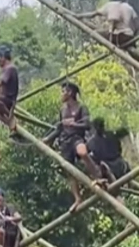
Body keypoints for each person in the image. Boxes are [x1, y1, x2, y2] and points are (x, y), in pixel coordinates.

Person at [43, 82, 104, 212]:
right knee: (69, 170)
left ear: (70, 93)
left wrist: (74, 124)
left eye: (63, 91)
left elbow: (87, 124)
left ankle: (98, 177)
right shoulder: (62, 110)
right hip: (65, 142)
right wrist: (48, 139)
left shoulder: (81, 108)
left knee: (83, 152)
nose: (61, 94)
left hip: (77, 138)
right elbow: (59, 128)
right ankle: (77, 198)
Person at [87, 118, 131, 183]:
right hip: (107, 166)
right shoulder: (92, 142)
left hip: (118, 162)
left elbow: (123, 132)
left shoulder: (111, 135)